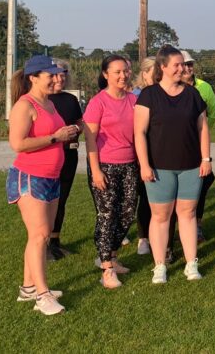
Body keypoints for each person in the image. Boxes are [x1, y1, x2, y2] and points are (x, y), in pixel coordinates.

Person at [7, 55, 79, 315]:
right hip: (29, 177)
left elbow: (55, 134)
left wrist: (67, 133)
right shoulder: (24, 106)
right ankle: (42, 295)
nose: (56, 79)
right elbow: (17, 143)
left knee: (41, 236)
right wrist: (54, 138)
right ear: (34, 78)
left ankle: (28, 288)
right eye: (50, 75)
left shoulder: (48, 103)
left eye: (57, 75)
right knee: (39, 236)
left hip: (51, 176)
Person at [134, 45, 212, 283]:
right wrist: (145, 165)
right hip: (159, 167)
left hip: (190, 166)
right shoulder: (149, 95)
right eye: (177, 65)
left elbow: (203, 128)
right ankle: (159, 266)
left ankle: (191, 263)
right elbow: (139, 132)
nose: (182, 69)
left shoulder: (192, 94)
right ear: (163, 67)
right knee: (160, 216)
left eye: (184, 65)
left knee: (187, 214)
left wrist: (206, 159)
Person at [82, 55, 139, 288]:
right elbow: (90, 139)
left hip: (130, 164)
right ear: (106, 74)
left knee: (127, 213)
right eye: (117, 72)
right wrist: (95, 171)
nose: (122, 75)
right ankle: (106, 269)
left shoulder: (134, 100)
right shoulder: (98, 102)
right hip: (104, 165)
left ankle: (112, 257)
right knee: (107, 215)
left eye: (125, 71)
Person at [46, 60, 83, 260]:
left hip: (69, 155)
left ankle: (55, 242)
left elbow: (80, 121)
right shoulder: (41, 99)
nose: (60, 78)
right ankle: (42, 243)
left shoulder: (70, 99)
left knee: (61, 201)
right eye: (56, 74)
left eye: (64, 74)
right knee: (47, 202)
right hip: (48, 158)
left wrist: (77, 129)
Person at [180, 50, 215, 243]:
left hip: (197, 144)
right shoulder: (166, 87)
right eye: (184, 64)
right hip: (176, 146)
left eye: (190, 64)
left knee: (202, 182)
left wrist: (200, 133)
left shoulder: (204, 87)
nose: (187, 68)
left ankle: (197, 225)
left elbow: (212, 113)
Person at [132, 56, 155, 256]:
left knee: (155, 198)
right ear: (145, 73)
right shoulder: (136, 95)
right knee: (142, 198)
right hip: (139, 153)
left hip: (159, 152)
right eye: (153, 71)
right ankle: (143, 238)